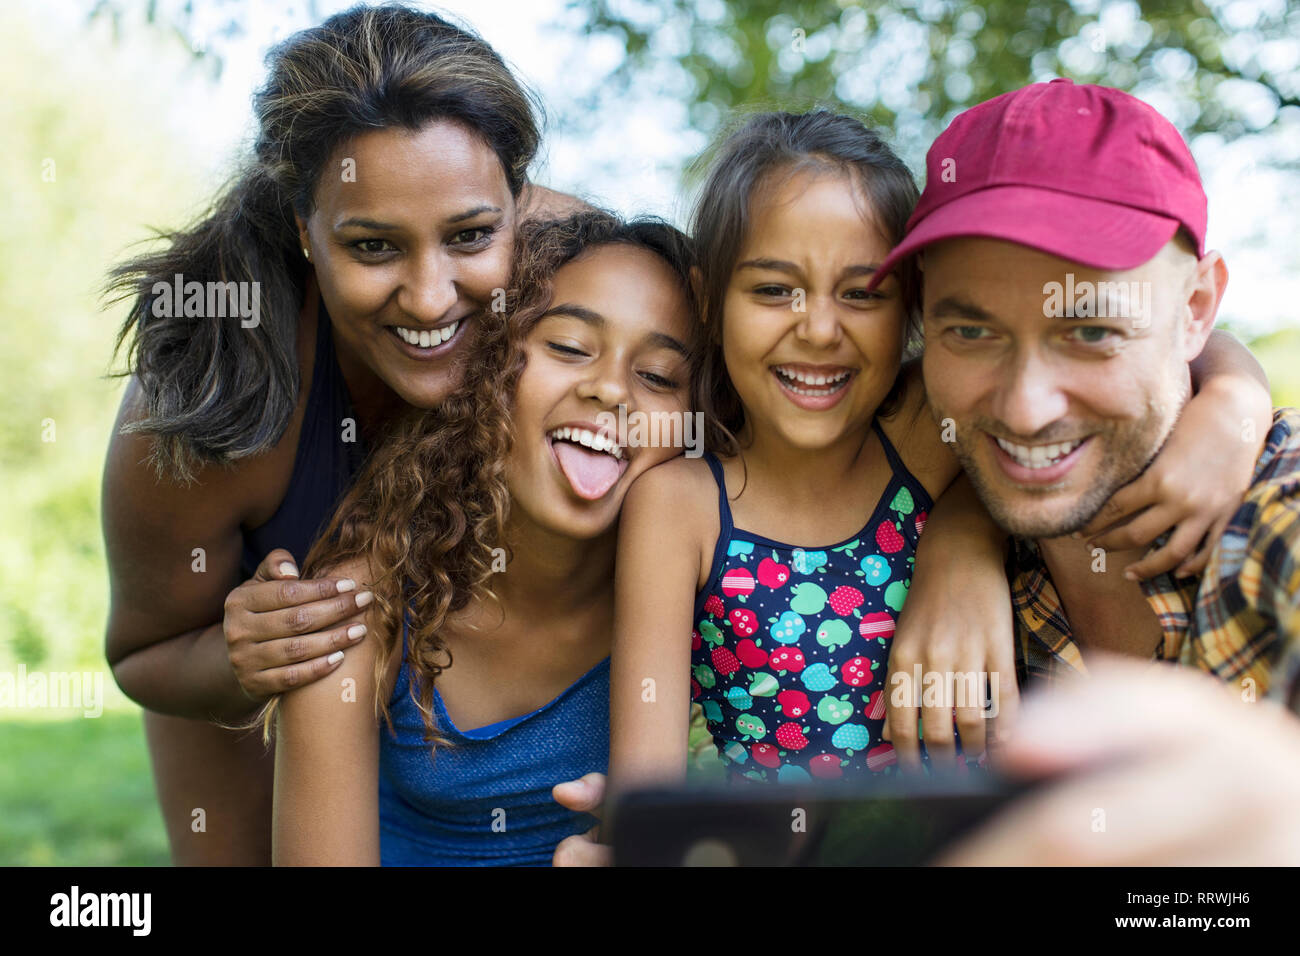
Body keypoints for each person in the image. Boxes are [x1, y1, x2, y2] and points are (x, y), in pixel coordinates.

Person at [553, 104, 1272, 865]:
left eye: (862, 294)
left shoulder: (934, 427)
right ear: (709, 299)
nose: (820, 330)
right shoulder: (680, 504)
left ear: (910, 311)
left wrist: (1232, 405)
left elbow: (1178, 336)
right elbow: (649, 786)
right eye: (773, 291)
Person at [101, 3, 581, 865]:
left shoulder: (586, 270)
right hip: (244, 700)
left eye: (472, 235)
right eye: (373, 247)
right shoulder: (209, 393)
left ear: (521, 202)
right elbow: (143, 653)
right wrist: (241, 661)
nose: (432, 298)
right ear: (304, 232)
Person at [866, 79, 1300, 863]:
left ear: (1198, 308)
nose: (1027, 410)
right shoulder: (884, 548)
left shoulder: (1281, 520)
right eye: (970, 330)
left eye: (1092, 330)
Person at [270, 211, 697, 865]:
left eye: (660, 377)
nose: (610, 389)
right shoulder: (363, 604)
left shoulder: (719, 604)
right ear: (486, 370)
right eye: (569, 347)